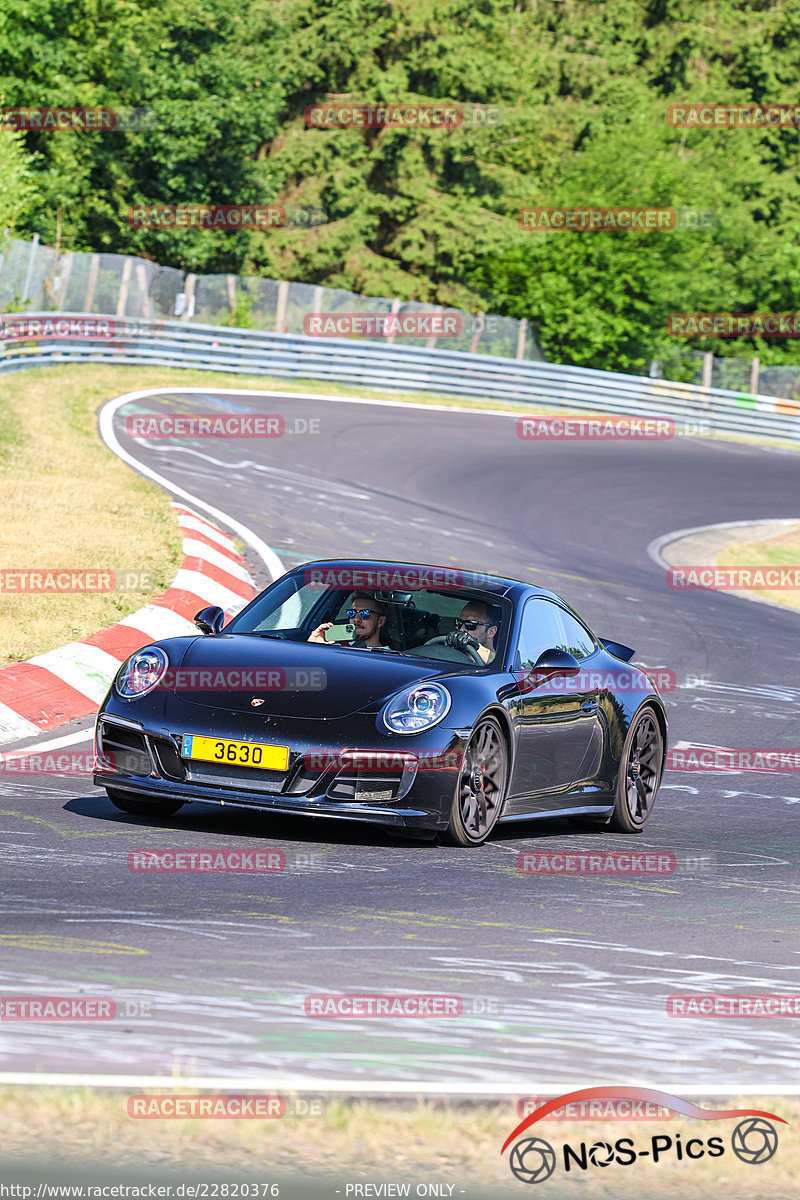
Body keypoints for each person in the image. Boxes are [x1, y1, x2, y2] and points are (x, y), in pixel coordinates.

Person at [308, 592, 388, 648]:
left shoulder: (392, 658)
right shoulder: (333, 647)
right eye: (352, 613)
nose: (356, 619)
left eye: (364, 613)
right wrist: (313, 647)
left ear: (381, 621)